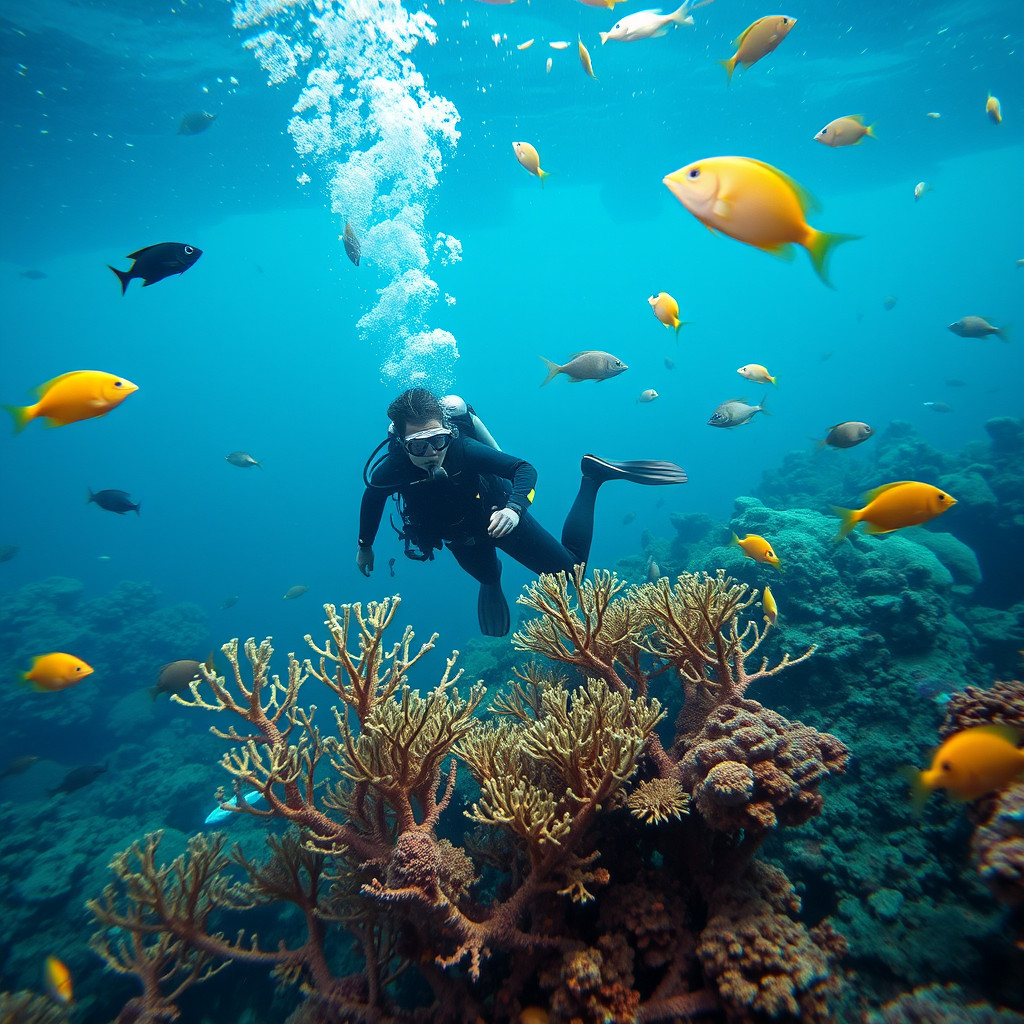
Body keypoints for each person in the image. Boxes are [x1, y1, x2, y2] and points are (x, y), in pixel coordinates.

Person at [358, 388, 687, 636]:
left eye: (438, 440)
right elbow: (372, 499)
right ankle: (491, 578)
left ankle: (592, 477)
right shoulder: (392, 470)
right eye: (418, 445)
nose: (432, 453)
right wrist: (364, 546)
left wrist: (514, 509)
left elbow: (523, 469)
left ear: (449, 434)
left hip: (500, 517)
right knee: (487, 575)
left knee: (571, 573)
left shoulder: (463, 449)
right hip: (460, 538)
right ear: (401, 443)